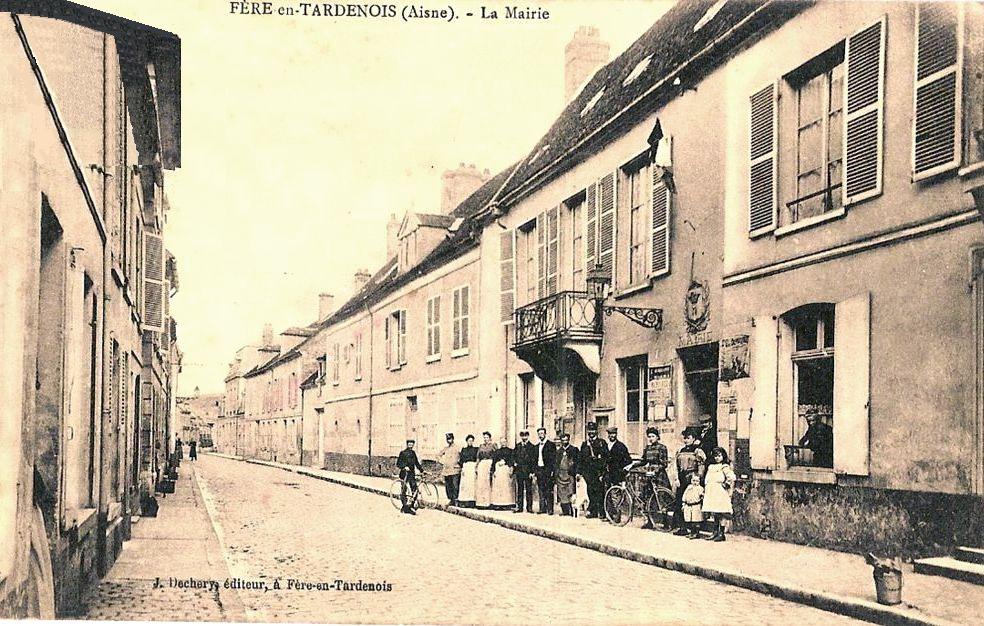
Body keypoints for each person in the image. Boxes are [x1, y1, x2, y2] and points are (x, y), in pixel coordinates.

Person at [627, 427, 670, 529]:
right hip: (648, 476)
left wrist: (655, 471)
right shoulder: (647, 448)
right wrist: (632, 465)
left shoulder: (662, 448)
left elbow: (664, 463)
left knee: (661, 498)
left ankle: (665, 522)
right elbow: (643, 461)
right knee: (647, 497)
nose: (650, 438)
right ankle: (649, 522)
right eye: (649, 436)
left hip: (659, 476)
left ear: (657, 437)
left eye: (653, 436)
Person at [673, 428, 705, 535]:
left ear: (694, 439)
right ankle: (683, 527)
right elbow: (676, 466)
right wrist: (676, 478)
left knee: (693, 503)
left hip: (692, 478)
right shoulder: (681, 451)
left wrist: (698, 479)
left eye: (688, 438)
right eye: (685, 438)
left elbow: (701, 466)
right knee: (681, 502)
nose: (686, 440)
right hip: (682, 478)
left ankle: (694, 529)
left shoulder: (697, 451)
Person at [702, 447, 736, 542]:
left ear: (723, 456)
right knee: (715, 512)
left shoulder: (724, 466)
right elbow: (707, 478)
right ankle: (715, 532)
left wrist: (726, 484)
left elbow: (731, 477)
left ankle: (721, 533)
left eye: (719, 456)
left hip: (719, 491)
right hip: (711, 491)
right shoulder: (711, 467)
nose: (717, 458)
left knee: (721, 512)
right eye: (715, 456)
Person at [577, 422, 608, 519]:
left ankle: (602, 512)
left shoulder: (601, 443)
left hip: (598, 472)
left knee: (600, 491)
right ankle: (593, 512)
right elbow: (580, 459)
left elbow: (605, 458)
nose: (591, 433)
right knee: (590, 491)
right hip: (588, 472)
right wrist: (579, 472)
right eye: (589, 431)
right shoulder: (584, 444)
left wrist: (602, 472)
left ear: (596, 431)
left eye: (593, 430)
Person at [396, 439, 424, 515]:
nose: (411, 445)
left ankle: (411, 506)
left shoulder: (413, 453)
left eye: (412, 444)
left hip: (411, 474)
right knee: (404, 491)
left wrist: (422, 470)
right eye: (409, 444)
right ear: (407, 444)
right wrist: (404, 467)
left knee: (415, 490)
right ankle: (405, 506)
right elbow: (398, 463)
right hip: (404, 474)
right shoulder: (402, 453)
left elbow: (416, 463)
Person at [554, 433, 579, 516]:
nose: (564, 442)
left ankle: (571, 511)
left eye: (566, 440)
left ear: (569, 440)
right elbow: (556, 463)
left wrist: (577, 473)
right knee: (562, 493)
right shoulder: (558, 451)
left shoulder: (574, 450)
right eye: (563, 440)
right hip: (560, 475)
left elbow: (577, 462)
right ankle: (565, 511)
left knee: (570, 492)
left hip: (570, 474)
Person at [533, 427, 556, 514]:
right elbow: (534, 460)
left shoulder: (551, 445)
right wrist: (535, 471)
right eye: (539, 433)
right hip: (539, 470)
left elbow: (553, 459)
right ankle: (542, 508)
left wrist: (552, 471)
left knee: (549, 490)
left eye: (542, 433)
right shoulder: (536, 446)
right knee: (541, 490)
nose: (540, 435)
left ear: (545, 434)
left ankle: (550, 509)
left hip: (547, 470)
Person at [513, 430, 535, 513]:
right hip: (519, 471)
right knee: (520, 489)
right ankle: (520, 507)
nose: (524, 437)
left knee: (529, 490)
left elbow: (533, 460)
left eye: (525, 435)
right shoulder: (518, 446)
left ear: (528, 436)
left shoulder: (531, 447)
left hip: (528, 471)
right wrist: (514, 463)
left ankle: (529, 508)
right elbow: (513, 456)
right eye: (522, 436)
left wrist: (532, 472)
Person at [437, 433, 461, 505]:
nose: (449, 440)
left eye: (450, 439)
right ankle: (451, 500)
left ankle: (456, 500)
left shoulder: (457, 447)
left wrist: (459, 463)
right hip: (447, 470)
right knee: (448, 486)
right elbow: (438, 455)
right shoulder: (446, 448)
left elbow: (462, 456)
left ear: (453, 439)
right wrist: (442, 462)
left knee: (455, 485)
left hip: (455, 469)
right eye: (447, 439)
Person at [491, 438, 515, 510]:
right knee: (499, 487)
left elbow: (511, 461)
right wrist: (493, 471)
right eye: (501, 442)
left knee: (506, 487)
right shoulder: (497, 451)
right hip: (499, 471)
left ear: (506, 442)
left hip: (506, 470)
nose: (503, 443)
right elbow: (494, 461)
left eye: (504, 442)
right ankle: (498, 504)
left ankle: (507, 504)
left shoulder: (510, 451)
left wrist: (511, 469)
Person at [475, 431, 497, 509]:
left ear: (490, 438)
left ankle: (489, 502)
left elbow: (496, 456)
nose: (485, 439)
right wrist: (477, 467)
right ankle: (482, 502)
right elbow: (478, 457)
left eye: (487, 437)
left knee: (489, 483)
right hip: (482, 465)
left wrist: (493, 467)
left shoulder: (493, 445)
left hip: (489, 463)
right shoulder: (481, 446)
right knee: (482, 483)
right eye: (484, 437)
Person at [681, 473, 705, 539]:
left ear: (699, 481)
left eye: (697, 481)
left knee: (696, 520)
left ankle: (696, 533)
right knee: (690, 520)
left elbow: (702, 496)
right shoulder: (689, 487)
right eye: (693, 480)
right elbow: (685, 495)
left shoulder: (700, 488)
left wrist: (702, 497)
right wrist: (683, 503)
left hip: (696, 506)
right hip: (688, 505)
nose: (695, 482)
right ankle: (692, 532)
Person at [457, 435, 478, 508]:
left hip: (472, 467)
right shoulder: (464, 450)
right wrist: (462, 468)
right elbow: (461, 460)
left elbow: (477, 459)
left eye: (472, 441)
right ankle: (464, 501)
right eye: (469, 441)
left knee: (472, 485)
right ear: (466, 441)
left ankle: (472, 502)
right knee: (465, 485)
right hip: (466, 468)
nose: (470, 442)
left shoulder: (475, 449)